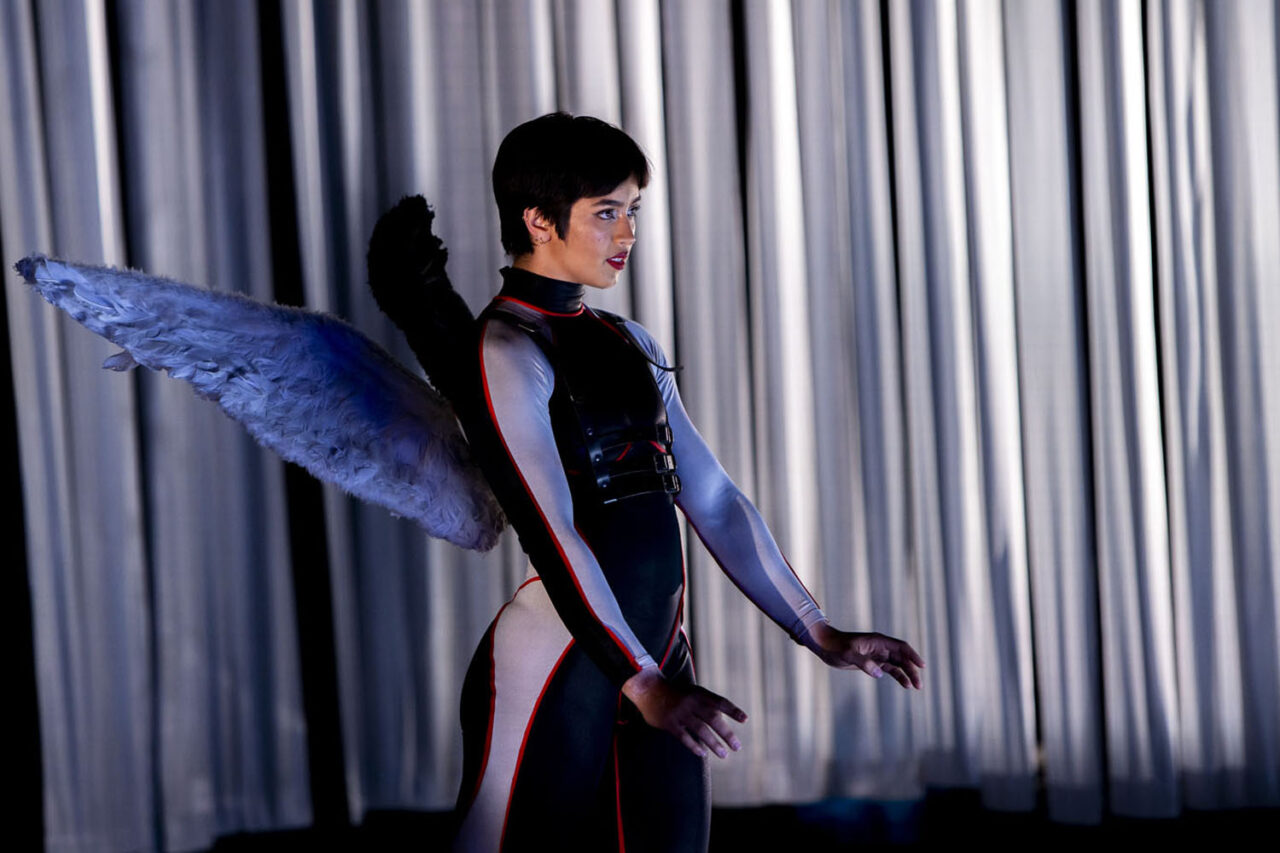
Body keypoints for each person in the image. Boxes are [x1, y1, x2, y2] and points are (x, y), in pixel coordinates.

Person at [442, 112, 924, 853]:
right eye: (606, 212)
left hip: (659, 657)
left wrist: (818, 628)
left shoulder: (631, 342)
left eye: (632, 211)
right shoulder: (506, 347)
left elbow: (713, 497)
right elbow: (551, 527)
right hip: (555, 660)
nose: (627, 235)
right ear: (538, 220)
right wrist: (639, 681)